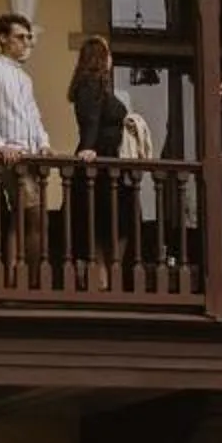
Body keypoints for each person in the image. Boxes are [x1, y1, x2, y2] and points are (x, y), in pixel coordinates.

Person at [0, 13, 49, 280]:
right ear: (3, 38)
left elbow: (33, 116)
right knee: (34, 216)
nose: (26, 42)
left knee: (22, 217)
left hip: (30, 157)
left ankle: (15, 278)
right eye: (20, 37)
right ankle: (25, 281)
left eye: (28, 37)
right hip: (11, 158)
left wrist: (44, 143)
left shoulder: (25, 79)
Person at [67, 35, 136, 272]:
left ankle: (109, 276)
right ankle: (105, 278)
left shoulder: (99, 85)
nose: (111, 58)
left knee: (114, 225)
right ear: (100, 57)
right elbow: (91, 119)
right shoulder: (90, 85)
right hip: (101, 164)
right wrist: (89, 146)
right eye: (108, 53)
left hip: (110, 163)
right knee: (103, 225)